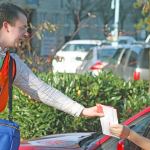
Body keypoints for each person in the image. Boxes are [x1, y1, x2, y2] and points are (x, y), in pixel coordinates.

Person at [0, 3, 104, 121]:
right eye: (22, 27)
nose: (26, 33)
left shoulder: (11, 64)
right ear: (7, 26)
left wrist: (82, 111)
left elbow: (41, 90)